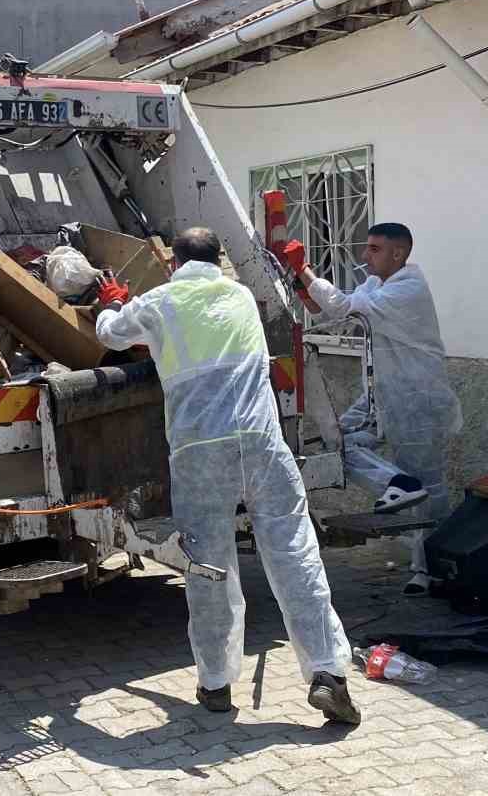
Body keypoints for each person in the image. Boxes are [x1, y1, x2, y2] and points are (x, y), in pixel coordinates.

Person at [94, 228, 360, 724]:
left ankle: (215, 683)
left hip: (200, 452)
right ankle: (328, 673)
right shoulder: (240, 297)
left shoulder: (160, 301)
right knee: (295, 555)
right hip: (261, 443)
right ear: (219, 260)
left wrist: (111, 301)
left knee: (208, 565)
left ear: (173, 263)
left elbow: (111, 335)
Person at [292, 223, 462, 597]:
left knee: (428, 487)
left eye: (374, 249)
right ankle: (396, 484)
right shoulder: (376, 285)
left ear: (397, 254)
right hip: (382, 396)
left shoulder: (408, 289)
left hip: (417, 399)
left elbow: (340, 305)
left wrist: (304, 269)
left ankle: (429, 569)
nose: (364, 256)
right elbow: (337, 311)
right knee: (337, 444)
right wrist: (303, 283)